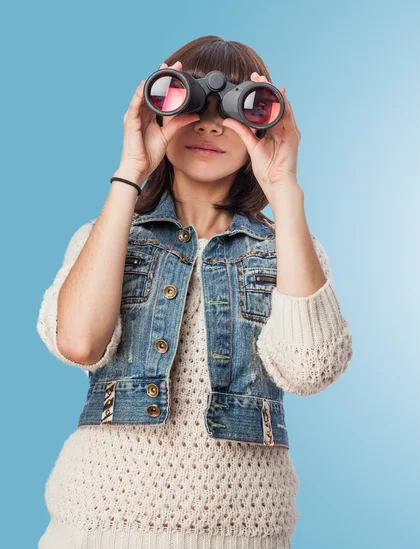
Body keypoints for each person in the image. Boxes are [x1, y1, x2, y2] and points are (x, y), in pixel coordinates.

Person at [36, 35, 353, 549]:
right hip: (95, 530)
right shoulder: (109, 235)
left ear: (266, 119)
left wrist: (284, 190)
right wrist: (131, 173)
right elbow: (79, 342)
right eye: (190, 103)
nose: (209, 124)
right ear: (158, 110)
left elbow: (309, 367)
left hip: (245, 535)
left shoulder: (289, 249)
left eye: (235, 106)